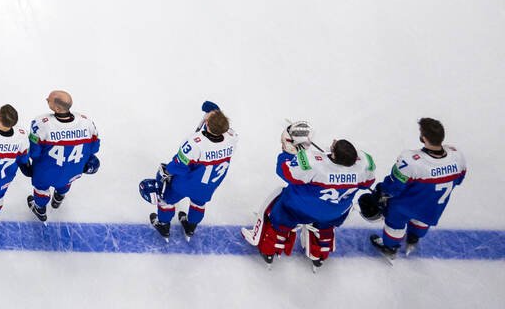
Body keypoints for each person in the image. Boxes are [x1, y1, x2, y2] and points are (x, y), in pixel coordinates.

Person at [244, 121, 377, 267]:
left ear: (333, 154)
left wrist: (288, 152)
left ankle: (270, 249)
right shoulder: (364, 167)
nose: (333, 142)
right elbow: (367, 184)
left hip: (300, 209)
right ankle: (319, 253)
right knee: (326, 225)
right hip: (336, 212)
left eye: (334, 145)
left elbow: (285, 172)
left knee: (283, 213)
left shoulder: (313, 164)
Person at [364, 117, 466, 258]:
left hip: (405, 206)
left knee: (395, 224)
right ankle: (413, 238)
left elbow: (393, 187)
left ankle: (390, 248)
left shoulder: (411, 161)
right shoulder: (457, 156)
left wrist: (380, 190)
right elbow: (459, 180)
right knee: (422, 219)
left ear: (423, 138)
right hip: (433, 205)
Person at [140, 102, 236, 239]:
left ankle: (163, 225)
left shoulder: (195, 144)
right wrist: (216, 115)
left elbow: (179, 166)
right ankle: (191, 227)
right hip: (209, 186)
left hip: (185, 184)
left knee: (166, 199)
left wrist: (167, 171)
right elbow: (219, 131)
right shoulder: (232, 137)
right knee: (198, 203)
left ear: (207, 125)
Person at [25, 90, 101, 220]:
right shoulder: (87, 122)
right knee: (65, 181)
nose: (46, 100)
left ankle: (40, 209)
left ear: (57, 108)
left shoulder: (41, 123)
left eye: (49, 99)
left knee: (41, 189)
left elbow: (34, 153)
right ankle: (58, 198)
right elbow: (94, 148)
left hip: (46, 172)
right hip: (73, 170)